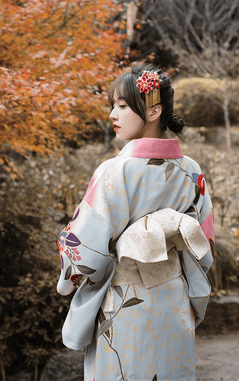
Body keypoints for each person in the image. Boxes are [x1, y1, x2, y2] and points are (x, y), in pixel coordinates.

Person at [57, 65, 214, 381]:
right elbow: (204, 245)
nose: (113, 114)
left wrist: (70, 275)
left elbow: (82, 253)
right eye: (113, 105)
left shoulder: (114, 172)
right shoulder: (192, 171)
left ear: (154, 110)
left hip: (125, 303)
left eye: (123, 106)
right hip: (175, 299)